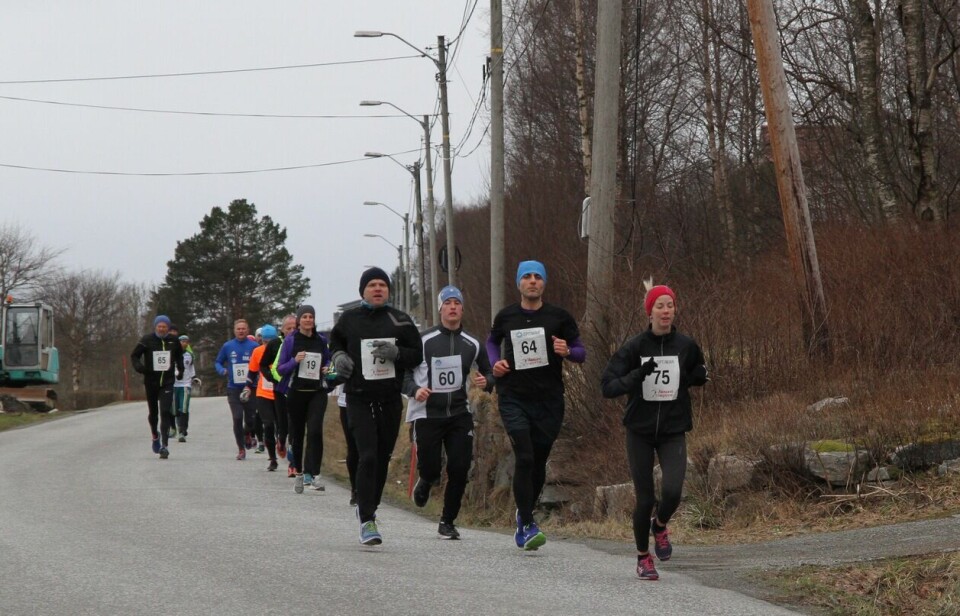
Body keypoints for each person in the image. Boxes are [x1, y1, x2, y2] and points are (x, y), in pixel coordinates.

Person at [601, 284, 708, 581]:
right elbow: (607, 386)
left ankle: (659, 526)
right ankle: (642, 558)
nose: (665, 311)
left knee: (673, 492)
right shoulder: (635, 347)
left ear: (675, 310)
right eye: (659, 306)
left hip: (673, 429)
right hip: (640, 431)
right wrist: (637, 376)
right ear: (649, 313)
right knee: (645, 498)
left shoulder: (685, 344)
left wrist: (697, 377)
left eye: (669, 305)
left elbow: (698, 370)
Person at [487, 260, 585, 550]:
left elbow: (582, 352)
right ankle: (528, 523)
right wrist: (496, 365)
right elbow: (491, 344)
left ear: (544, 283)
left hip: (549, 400)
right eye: (526, 277)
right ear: (518, 283)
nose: (532, 281)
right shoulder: (506, 317)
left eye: (537, 277)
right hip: (513, 397)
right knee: (525, 457)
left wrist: (568, 350)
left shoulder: (559, 317)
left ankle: (524, 511)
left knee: (539, 460)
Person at [329, 267, 422, 546]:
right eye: (372, 285)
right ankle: (367, 519)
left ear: (389, 291)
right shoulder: (349, 319)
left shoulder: (401, 321)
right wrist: (338, 356)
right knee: (367, 455)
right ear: (363, 291)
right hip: (358, 396)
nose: (378, 288)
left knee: (382, 457)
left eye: (383, 284)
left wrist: (398, 354)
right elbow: (334, 343)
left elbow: (417, 355)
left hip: (389, 398)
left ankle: (371, 506)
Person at [404, 285, 494, 539]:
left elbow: (488, 372)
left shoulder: (473, 343)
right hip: (427, 414)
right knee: (432, 469)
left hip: (458, 413)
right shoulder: (423, 341)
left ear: (462, 309)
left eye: (457, 303)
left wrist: (486, 381)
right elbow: (405, 374)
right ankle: (426, 480)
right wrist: (414, 390)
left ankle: (447, 521)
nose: (453, 307)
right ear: (440, 309)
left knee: (459, 467)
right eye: (448, 303)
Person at [276, 305, 331, 493]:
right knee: (297, 434)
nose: (308, 319)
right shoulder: (290, 342)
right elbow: (280, 369)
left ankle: (314, 474)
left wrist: (328, 369)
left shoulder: (321, 340)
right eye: (305, 316)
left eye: (311, 316)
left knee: (315, 431)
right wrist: (294, 361)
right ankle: (299, 472)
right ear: (299, 320)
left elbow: (329, 361)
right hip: (296, 392)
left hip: (317, 391)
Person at [130, 315, 185, 460]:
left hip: (167, 381)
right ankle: (155, 435)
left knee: (165, 411)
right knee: (153, 413)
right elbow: (134, 356)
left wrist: (180, 370)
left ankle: (164, 446)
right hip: (151, 381)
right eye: (159, 326)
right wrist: (140, 368)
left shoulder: (173, 341)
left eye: (164, 326)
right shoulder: (147, 340)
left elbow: (180, 356)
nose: (162, 329)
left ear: (168, 328)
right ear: (155, 327)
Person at [215, 319, 260, 460]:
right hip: (233, 388)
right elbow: (217, 362)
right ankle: (241, 449)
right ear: (235, 331)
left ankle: (248, 433)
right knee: (237, 418)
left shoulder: (254, 346)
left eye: (243, 328)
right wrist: (222, 370)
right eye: (238, 329)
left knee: (250, 420)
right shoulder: (228, 346)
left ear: (247, 330)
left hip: (250, 388)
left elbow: (261, 363)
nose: (241, 331)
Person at [243, 324, 283, 471]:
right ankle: (272, 459)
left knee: (281, 426)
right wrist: (247, 386)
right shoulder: (257, 352)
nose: (268, 344)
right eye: (265, 341)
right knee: (268, 425)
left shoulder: (283, 350)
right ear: (261, 341)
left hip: (280, 394)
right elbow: (252, 372)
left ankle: (281, 442)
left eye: (271, 341)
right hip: (263, 394)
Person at [265, 314, 296, 476]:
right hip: (281, 390)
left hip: (297, 392)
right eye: (288, 328)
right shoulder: (277, 344)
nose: (291, 331)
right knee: (283, 426)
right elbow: (272, 367)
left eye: (294, 328)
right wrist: (279, 380)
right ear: (282, 330)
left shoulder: (303, 342)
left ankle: (293, 463)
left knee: (294, 427)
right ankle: (281, 440)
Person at [334, 383, 359, 505]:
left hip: (373, 401)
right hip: (347, 403)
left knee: (370, 449)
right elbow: (332, 374)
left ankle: (369, 488)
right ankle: (355, 489)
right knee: (353, 447)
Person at [173, 334, 196, 442]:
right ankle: (178, 428)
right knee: (175, 409)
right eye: (182, 341)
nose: (184, 344)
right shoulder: (172, 354)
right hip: (174, 385)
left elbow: (191, 369)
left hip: (185, 384)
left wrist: (194, 378)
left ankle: (182, 430)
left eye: (186, 342)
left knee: (184, 408)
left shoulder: (189, 355)